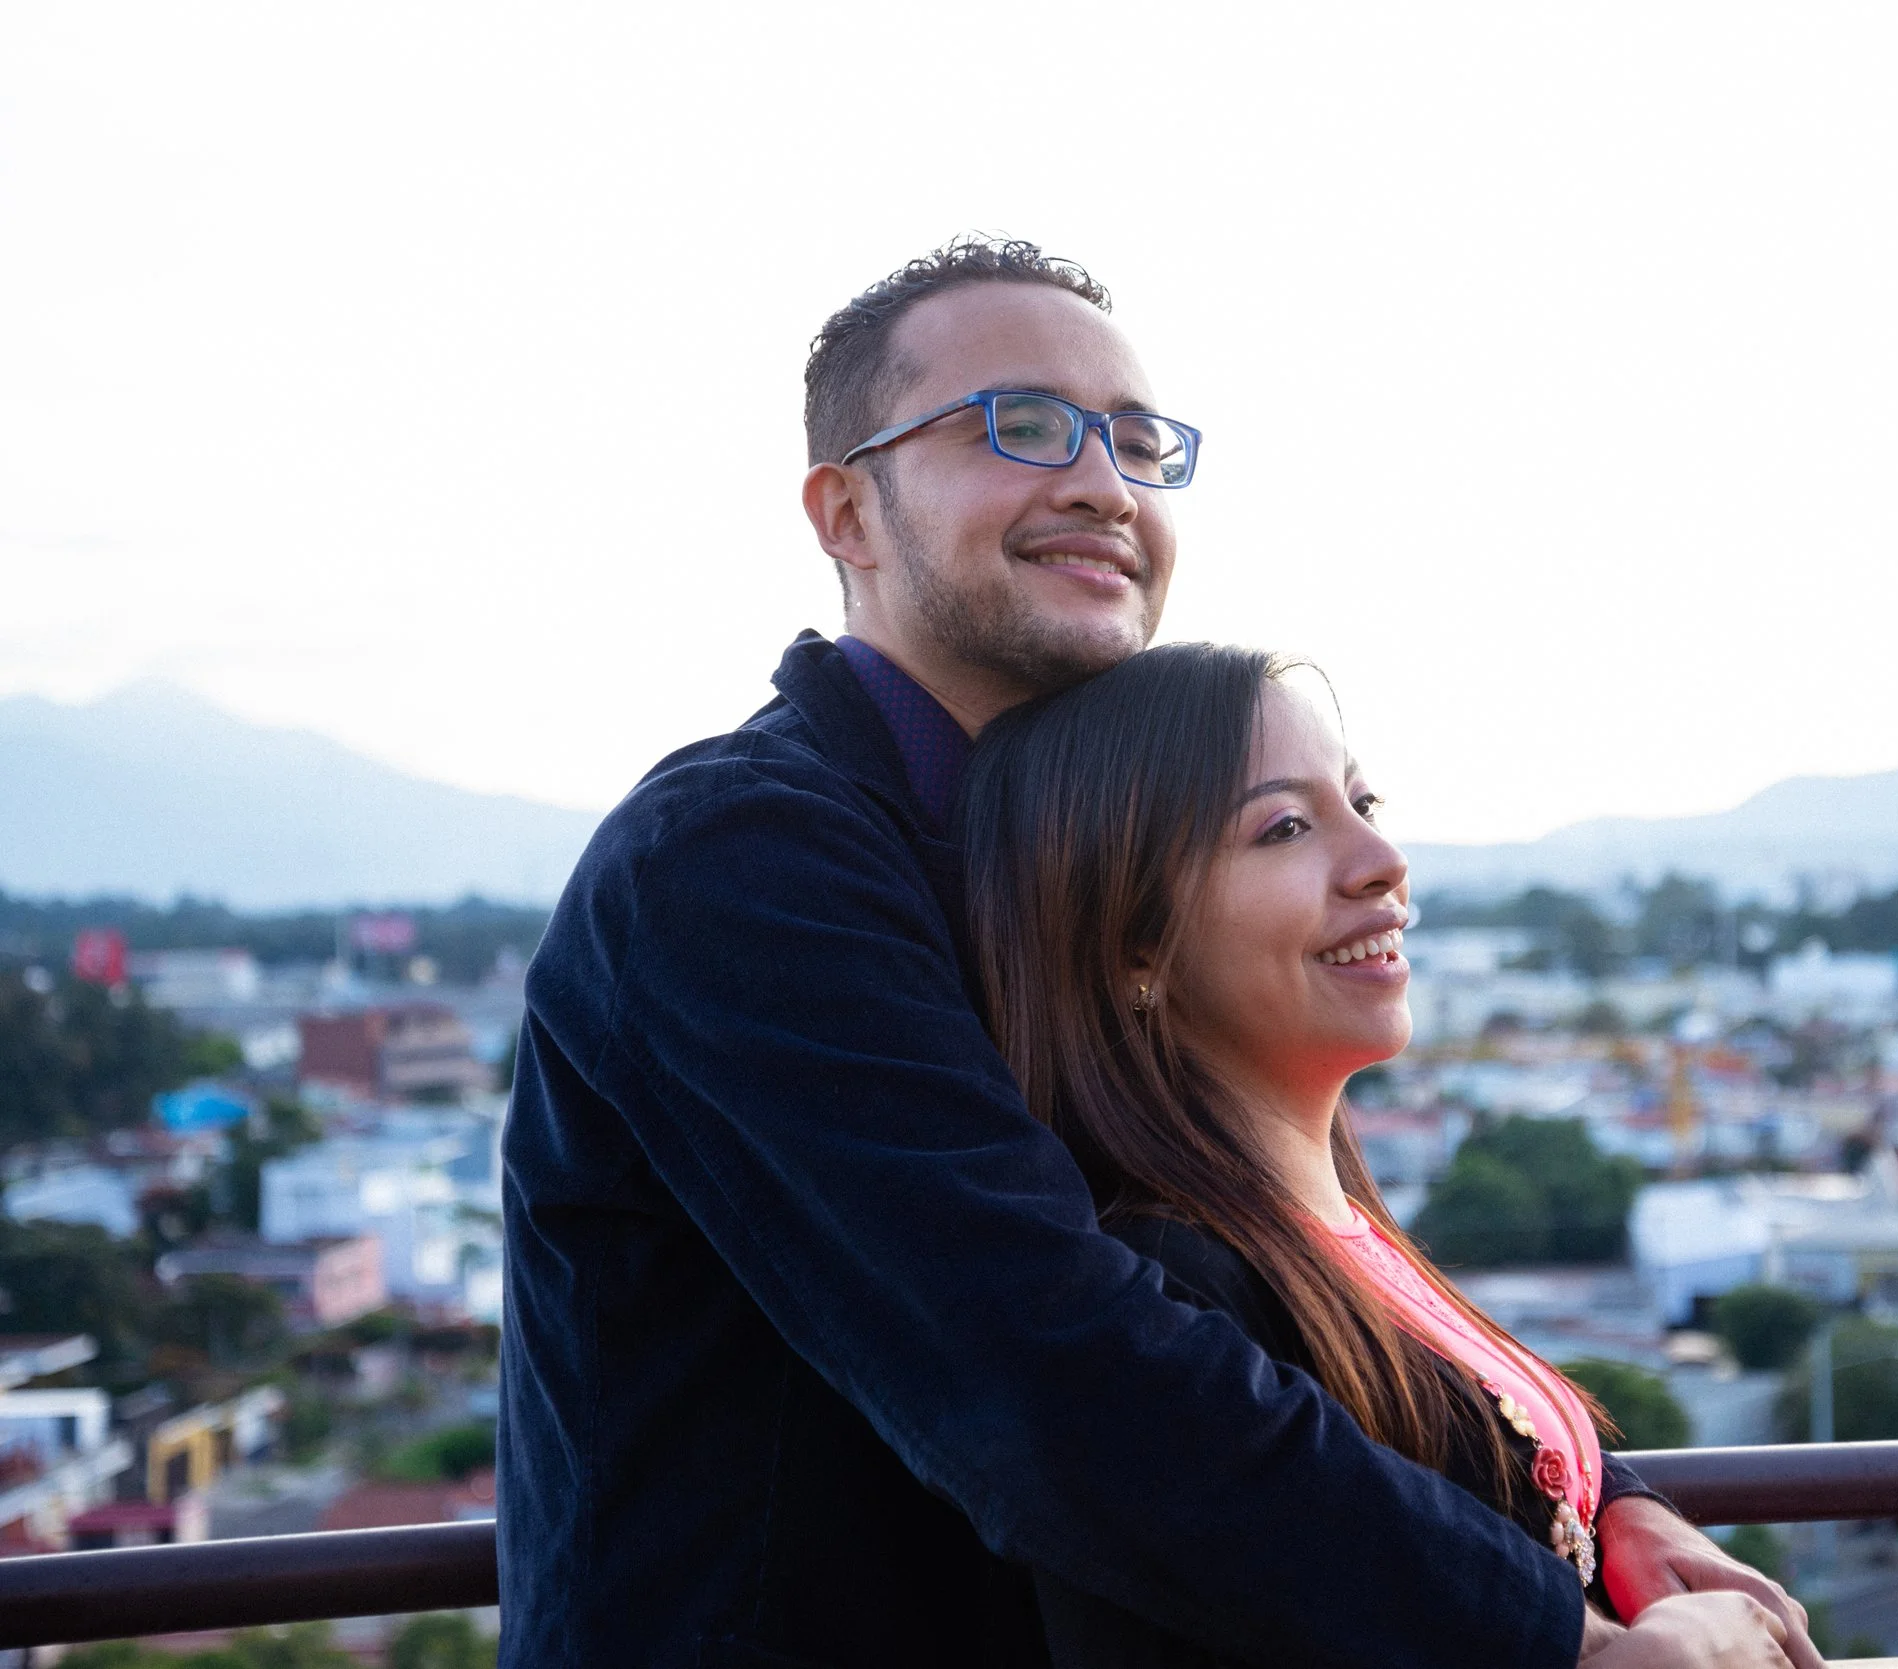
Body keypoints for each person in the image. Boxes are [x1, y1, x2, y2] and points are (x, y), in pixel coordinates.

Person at [498, 236, 1820, 1669]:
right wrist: (1560, 1645)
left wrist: (1602, 1501)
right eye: (1021, 426)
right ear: (846, 513)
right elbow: (1050, 1366)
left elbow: (1305, 1265)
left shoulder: (1085, 862)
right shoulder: (740, 862)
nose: (1101, 484)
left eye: (1139, 443)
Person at [957, 642, 1801, 1669]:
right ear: (1134, 943)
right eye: (1285, 827)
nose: (1381, 861)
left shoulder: (1336, 1231)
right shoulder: (1179, 1292)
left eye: (1363, 801)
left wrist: (1631, 1514)